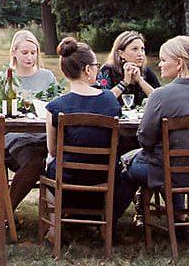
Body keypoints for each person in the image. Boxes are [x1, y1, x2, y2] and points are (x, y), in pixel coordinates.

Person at [125, 36, 189, 216]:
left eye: (164, 60)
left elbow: (144, 139)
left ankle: (109, 221)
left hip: (168, 173)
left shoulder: (160, 96)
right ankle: (178, 216)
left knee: (126, 165)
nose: (160, 65)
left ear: (179, 63)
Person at [43, 38, 133, 222]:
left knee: (48, 160)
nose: (97, 68)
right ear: (87, 70)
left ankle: (54, 225)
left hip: (67, 179)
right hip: (104, 178)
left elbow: (53, 150)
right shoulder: (110, 101)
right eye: (95, 65)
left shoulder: (55, 106)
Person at [4, 29, 57, 209]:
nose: (29, 57)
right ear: (14, 52)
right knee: (35, 162)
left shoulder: (47, 76)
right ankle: (5, 211)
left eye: (33, 53)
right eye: (24, 53)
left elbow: (55, 106)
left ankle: (66, 214)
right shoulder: (6, 77)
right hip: (15, 137)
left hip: (44, 136)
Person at [96, 30, 159, 109]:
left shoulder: (146, 72)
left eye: (142, 49)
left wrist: (140, 81)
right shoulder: (107, 71)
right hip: (113, 119)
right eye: (135, 49)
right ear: (121, 53)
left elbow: (160, 100)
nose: (140, 54)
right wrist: (124, 82)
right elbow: (101, 101)